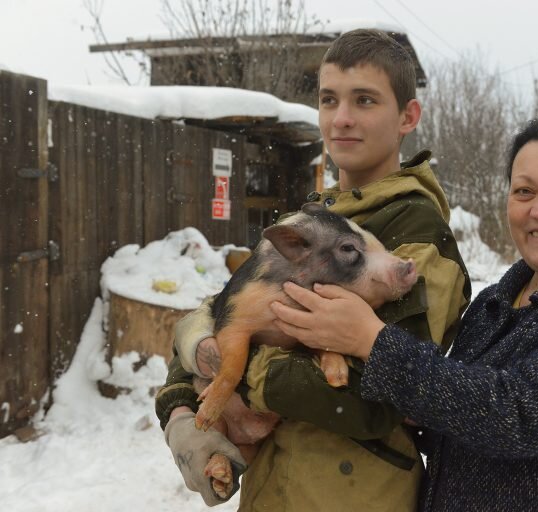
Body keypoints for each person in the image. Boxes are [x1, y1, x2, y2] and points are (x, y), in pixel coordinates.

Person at [271, 115, 538, 511]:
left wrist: (372, 341)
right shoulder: (494, 305)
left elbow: (516, 416)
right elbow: (463, 423)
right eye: (524, 191)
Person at [155, 29, 471, 510]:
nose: (341, 118)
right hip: (271, 493)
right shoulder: (308, 221)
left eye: (364, 100)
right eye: (329, 100)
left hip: (353, 496)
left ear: (408, 116)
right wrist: (180, 406)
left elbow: (374, 400)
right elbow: (229, 309)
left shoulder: (417, 235)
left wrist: (231, 368)